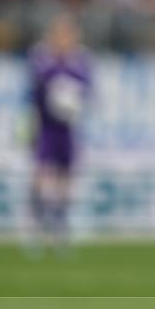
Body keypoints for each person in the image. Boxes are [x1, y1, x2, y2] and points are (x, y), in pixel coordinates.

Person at [27, 13, 92, 253]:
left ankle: (60, 228)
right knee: (42, 176)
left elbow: (88, 91)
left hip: (67, 128)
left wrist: (73, 99)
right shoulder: (42, 58)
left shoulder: (81, 60)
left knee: (66, 179)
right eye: (61, 34)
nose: (65, 39)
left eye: (69, 34)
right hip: (45, 126)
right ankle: (36, 227)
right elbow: (34, 90)